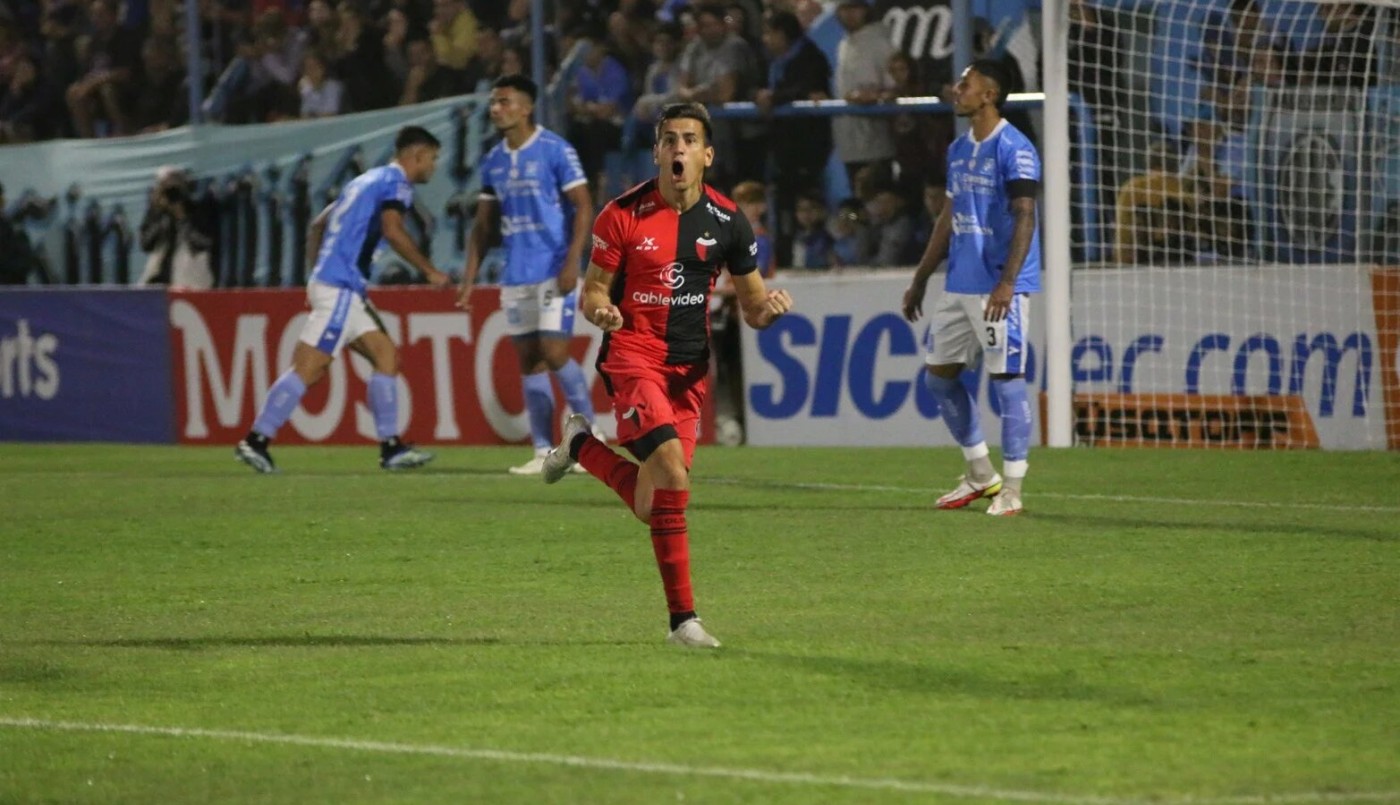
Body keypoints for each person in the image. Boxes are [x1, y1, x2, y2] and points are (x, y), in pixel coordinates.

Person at [537, 102, 794, 648]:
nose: (678, 149)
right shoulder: (622, 214)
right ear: (656, 151)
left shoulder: (728, 222)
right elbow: (595, 290)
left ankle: (581, 445)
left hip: (689, 367)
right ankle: (684, 621)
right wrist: (602, 310)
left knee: (652, 503)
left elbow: (752, 309)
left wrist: (769, 310)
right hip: (634, 355)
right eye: (669, 139)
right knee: (675, 475)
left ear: (707, 155)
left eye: (689, 140)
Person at [235, 126, 452, 474]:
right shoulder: (396, 183)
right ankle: (255, 440)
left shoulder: (362, 182)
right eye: (433, 158)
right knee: (310, 369)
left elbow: (317, 226)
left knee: (386, 356)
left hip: (339, 286)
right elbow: (394, 231)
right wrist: (429, 270)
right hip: (341, 288)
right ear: (417, 156)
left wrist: (318, 274)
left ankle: (391, 448)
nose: (434, 166)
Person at [900, 59, 1042, 517]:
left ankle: (1014, 490)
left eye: (967, 83)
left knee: (1006, 381)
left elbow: (1025, 215)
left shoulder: (1016, 148)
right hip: (959, 281)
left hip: (998, 287)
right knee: (938, 377)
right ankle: (981, 475)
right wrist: (921, 277)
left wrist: (1007, 283)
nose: (956, 89)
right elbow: (948, 216)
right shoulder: (959, 149)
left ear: (989, 95)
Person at [457, 74, 601, 475]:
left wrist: (575, 260)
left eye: (504, 101)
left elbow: (584, 205)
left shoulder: (555, 149)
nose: (496, 109)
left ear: (526, 107)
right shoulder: (494, 160)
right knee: (530, 362)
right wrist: (469, 278)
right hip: (515, 274)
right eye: (493, 102)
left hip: (553, 268)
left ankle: (591, 439)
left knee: (555, 354)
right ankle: (542, 451)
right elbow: (484, 225)